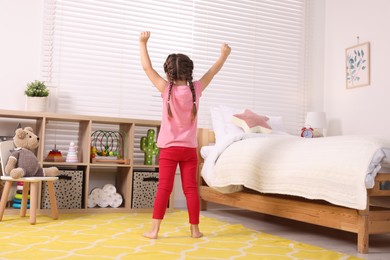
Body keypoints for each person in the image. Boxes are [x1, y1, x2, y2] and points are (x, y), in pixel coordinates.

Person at [139, 31, 231, 239]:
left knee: (164, 188)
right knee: (190, 189)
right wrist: (223, 56)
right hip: (189, 150)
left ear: (169, 73)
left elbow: (147, 68)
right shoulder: (196, 89)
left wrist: (143, 43)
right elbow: (212, 72)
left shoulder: (166, 89)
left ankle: (154, 230)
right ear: (189, 72)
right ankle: (195, 230)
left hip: (169, 149)